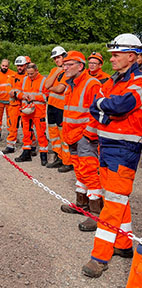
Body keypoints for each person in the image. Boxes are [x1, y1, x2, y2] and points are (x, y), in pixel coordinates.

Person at [82, 33, 142, 278]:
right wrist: (106, 108)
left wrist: (106, 107)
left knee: (112, 204)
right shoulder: (114, 81)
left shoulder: (138, 82)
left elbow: (119, 107)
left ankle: (100, 257)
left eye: (116, 55)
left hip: (124, 151)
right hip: (107, 146)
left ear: (132, 56)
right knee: (118, 200)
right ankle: (124, 245)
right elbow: (95, 106)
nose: (112, 59)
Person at [60, 51, 102, 232]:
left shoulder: (92, 84)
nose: (65, 67)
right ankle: (81, 204)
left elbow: (99, 113)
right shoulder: (71, 85)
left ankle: (96, 214)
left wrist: (88, 135)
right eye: (64, 65)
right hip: (73, 136)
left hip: (85, 137)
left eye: (69, 64)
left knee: (90, 173)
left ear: (80, 66)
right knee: (79, 171)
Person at [14, 63, 49, 166]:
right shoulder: (24, 80)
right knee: (26, 133)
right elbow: (17, 92)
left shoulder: (43, 81)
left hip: (38, 112)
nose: (30, 76)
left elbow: (47, 96)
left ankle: (44, 155)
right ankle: (26, 153)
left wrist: (34, 97)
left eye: (32, 74)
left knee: (41, 134)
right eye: (28, 73)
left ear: (37, 71)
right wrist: (22, 95)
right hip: (26, 111)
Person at [45, 46, 73, 172]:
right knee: (54, 133)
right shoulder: (54, 70)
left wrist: (51, 86)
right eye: (55, 58)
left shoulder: (69, 71)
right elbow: (46, 85)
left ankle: (67, 161)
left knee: (63, 135)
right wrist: (56, 73)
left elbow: (60, 89)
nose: (57, 60)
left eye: (58, 57)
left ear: (64, 56)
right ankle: (58, 157)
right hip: (51, 105)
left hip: (62, 107)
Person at [2, 56, 30, 154]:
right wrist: (19, 94)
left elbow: (28, 91)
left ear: (25, 65)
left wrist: (16, 93)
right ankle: (10, 146)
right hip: (14, 105)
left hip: (25, 105)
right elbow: (9, 91)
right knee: (12, 127)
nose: (19, 68)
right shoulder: (12, 77)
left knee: (27, 127)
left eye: (21, 66)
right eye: (18, 66)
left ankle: (31, 146)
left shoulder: (29, 76)